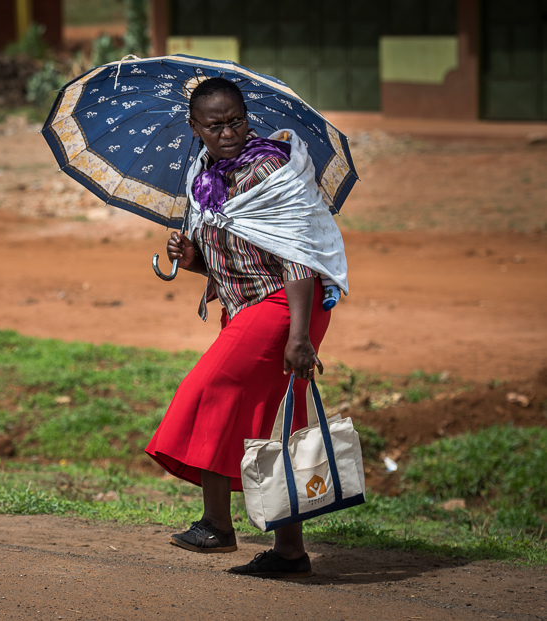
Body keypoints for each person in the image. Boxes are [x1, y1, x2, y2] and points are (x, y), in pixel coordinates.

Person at [144, 77, 348, 579]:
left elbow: (298, 253)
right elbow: (235, 261)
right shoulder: (206, 176)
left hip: (287, 302)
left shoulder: (268, 168)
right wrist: (191, 257)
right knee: (268, 419)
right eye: (215, 125)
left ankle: (217, 524)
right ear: (196, 128)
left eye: (236, 120)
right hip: (250, 306)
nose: (228, 132)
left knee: (207, 387)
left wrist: (299, 337)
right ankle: (290, 552)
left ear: (247, 118)